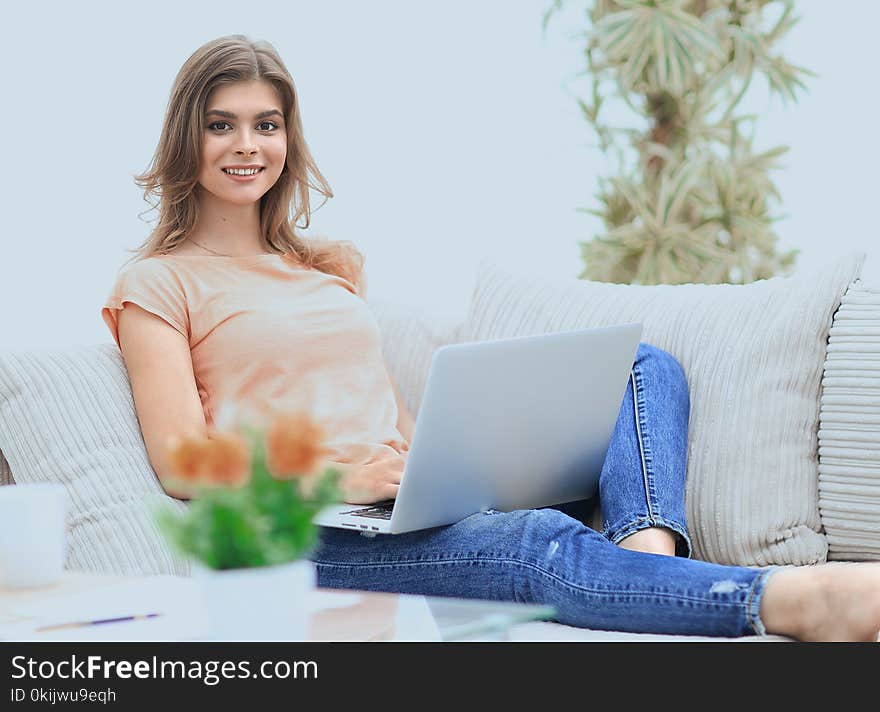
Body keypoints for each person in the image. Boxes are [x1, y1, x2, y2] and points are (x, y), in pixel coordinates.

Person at [101, 34, 880, 642]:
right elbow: (182, 466)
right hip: (305, 533)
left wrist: (439, 463)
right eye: (222, 125)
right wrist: (348, 486)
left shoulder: (326, 268)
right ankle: (785, 601)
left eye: (266, 125)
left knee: (641, 367)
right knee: (533, 539)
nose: (248, 145)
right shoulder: (157, 285)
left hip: (398, 503)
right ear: (186, 138)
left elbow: (373, 406)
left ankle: (644, 565)